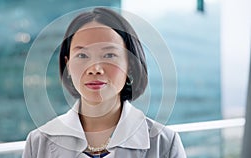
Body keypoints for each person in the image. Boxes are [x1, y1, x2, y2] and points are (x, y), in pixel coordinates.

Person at [23, 7, 186, 158]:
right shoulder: (38, 143)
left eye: (109, 55)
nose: (95, 69)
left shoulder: (165, 144)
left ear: (130, 65)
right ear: (68, 66)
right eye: (82, 56)